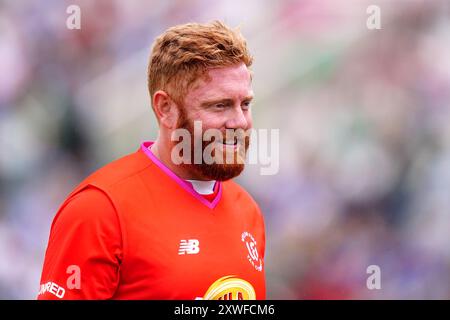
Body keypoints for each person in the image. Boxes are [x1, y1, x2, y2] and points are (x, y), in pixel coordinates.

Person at [38, 21, 266, 300]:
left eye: (245, 104)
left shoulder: (248, 210)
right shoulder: (98, 210)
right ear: (165, 108)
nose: (239, 122)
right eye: (219, 105)